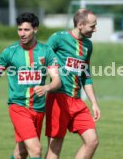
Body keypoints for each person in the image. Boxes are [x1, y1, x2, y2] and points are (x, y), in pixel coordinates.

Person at [0, 12, 61, 159]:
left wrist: (47, 88)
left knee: (21, 152)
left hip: (38, 109)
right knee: (36, 150)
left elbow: (57, 80)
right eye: (20, 29)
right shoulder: (10, 53)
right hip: (18, 107)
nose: (22, 33)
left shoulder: (46, 51)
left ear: (35, 29)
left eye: (26, 30)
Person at [45, 9, 101, 159]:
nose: (95, 29)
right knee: (55, 145)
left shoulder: (88, 45)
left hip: (76, 101)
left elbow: (86, 75)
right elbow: (42, 59)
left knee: (92, 141)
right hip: (58, 98)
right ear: (81, 25)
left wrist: (94, 103)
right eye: (92, 26)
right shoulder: (58, 38)